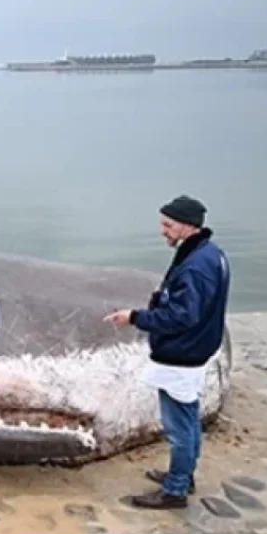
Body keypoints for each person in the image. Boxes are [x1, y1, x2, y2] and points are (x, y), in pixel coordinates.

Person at [105, 195, 230, 509]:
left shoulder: (197, 267)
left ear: (188, 226)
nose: (163, 230)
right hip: (194, 350)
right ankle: (183, 475)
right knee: (187, 420)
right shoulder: (209, 254)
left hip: (182, 356)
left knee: (179, 427)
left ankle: (174, 491)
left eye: (168, 224)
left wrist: (135, 317)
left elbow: (182, 316)